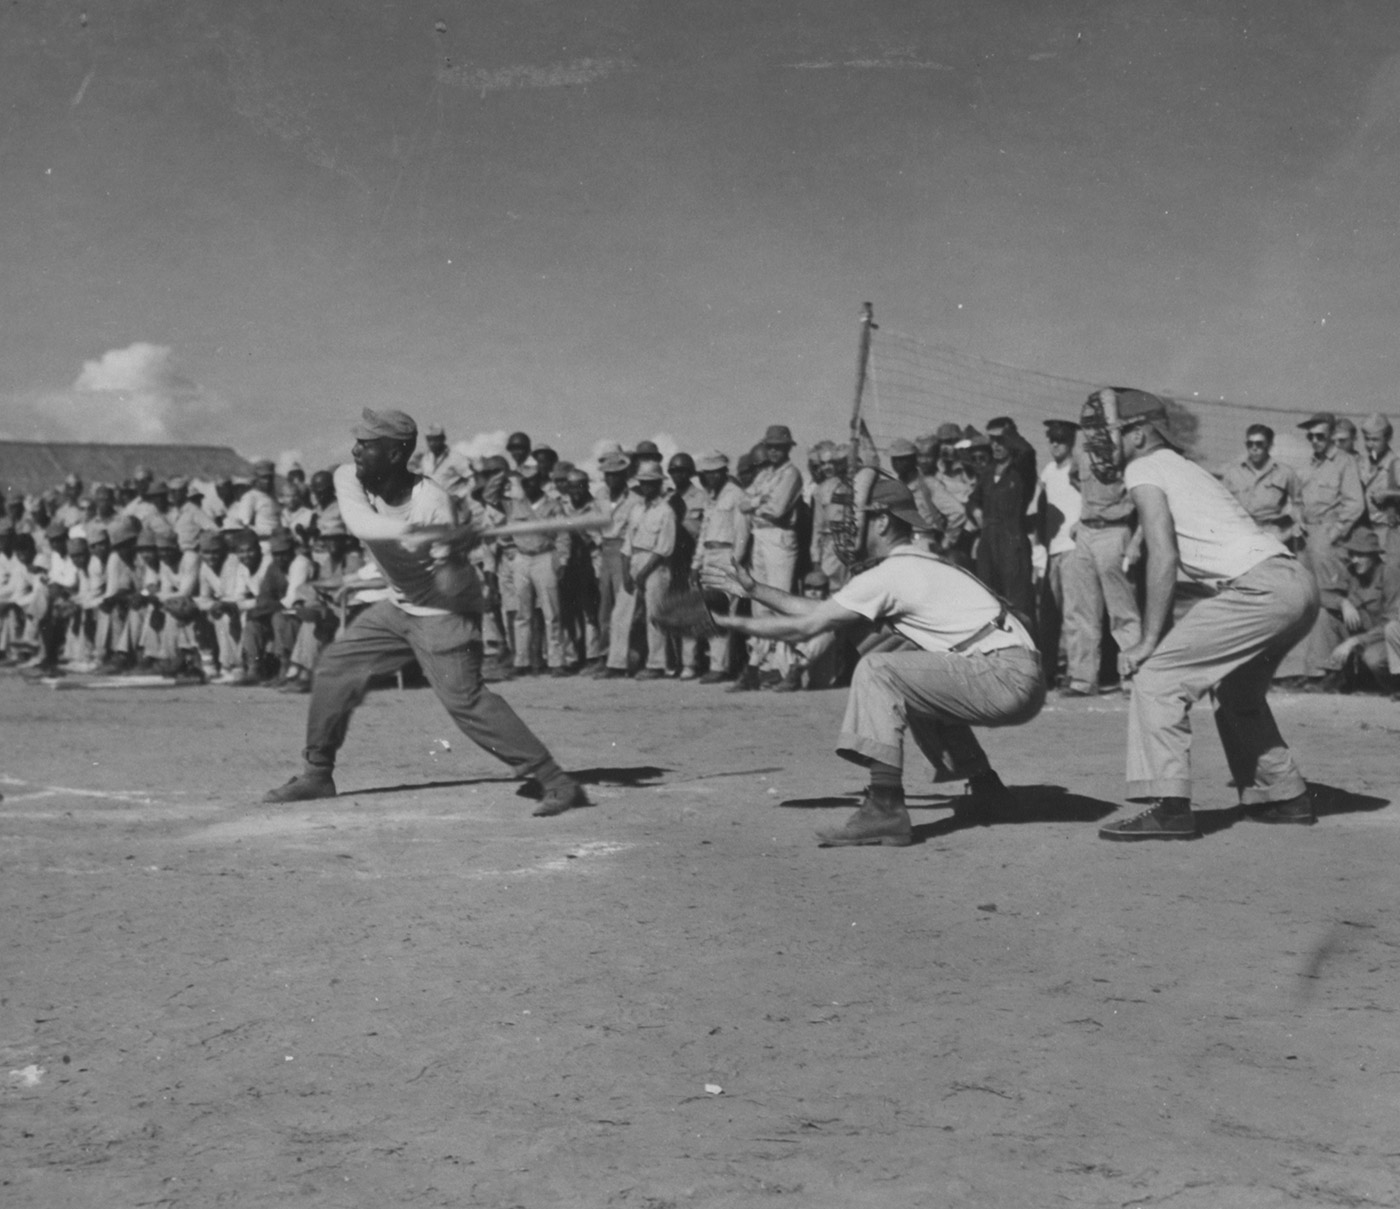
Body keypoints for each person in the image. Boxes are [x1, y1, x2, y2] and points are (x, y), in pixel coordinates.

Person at [262, 408, 588, 816]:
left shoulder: (434, 504)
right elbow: (362, 524)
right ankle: (317, 774)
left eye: (367, 445)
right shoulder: (350, 477)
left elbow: (449, 584)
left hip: (443, 609)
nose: (355, 450)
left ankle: (556, 781)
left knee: (465, 702)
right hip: (399, 606)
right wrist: (412, 532)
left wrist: (454, 548)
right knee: (335, 669)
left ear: (396, 454)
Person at [704, 475, 1044, 848]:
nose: (845, 529)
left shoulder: (890, 574)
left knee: (879, 670)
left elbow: (806, 629)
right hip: (1015, 672)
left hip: (1004, 675)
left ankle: (885, 807)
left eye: (856, 518)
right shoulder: (913, 563)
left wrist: (726, 622)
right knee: (910, 677)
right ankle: (987, 791)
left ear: (882, 521)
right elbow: (824, 612)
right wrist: (755, 590)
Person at [1091, 389, 1320, 841]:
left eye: (1108, 433)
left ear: (1138, 434)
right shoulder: (1183, 467)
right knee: (1237, 691)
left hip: (1261, 587)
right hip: (1294, 584)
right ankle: (1286, 796)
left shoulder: (1144, 466)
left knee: (1157, 677)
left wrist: (1148, 639)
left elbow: (1163, 555)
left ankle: (1169, 806)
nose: (1099, 444)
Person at [733, 424, 804, 691]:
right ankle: (761, 665)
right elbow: (744, 500)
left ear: (787, 448)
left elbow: (777, 508)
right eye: (771, 446)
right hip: (759, 537)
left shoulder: (792, 474)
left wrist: (755, 503)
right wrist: (757, 502)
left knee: (780, 602)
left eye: (779, 447)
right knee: (760, 604)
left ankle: (788, 666)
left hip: (780, 537)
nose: (774, 451)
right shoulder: (764, 474)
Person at [1296, 413, 1365, 683]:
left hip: (1329, 537)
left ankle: (1330, 672)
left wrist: (1335, 532)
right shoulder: (1311, 465)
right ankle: (1309, 668)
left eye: (1320, 436)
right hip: (1306, 537)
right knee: (1306, 600)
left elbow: (1354, 504)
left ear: (1331, 435)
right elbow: (1301, 499)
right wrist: (1298, 516)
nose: (1315, 441)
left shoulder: (1344, 463)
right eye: (1310, 436)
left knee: (1331, 600)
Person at [1305, 528, 1400, 694]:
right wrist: (1342, 602)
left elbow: (1392, 620)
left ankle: (1389, 686)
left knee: (1374, 658)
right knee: (1324, 616)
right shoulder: (1351, 572)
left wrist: (1355, 641)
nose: (1354, 560)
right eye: (1352, 554)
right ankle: (1328, 676)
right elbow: (1322, 594)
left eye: (1360, 555)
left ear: (1374, 556)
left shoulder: (1389, 574)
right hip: (1361, 633)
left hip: (1383, 639)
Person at [1036, 420, 1082, 681]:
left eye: (1061, 438)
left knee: (1075, 614)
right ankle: (1050, 670)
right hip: (1052, 549)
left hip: (1073, 548)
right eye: (1051, 438)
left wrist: (1081, 523)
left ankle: (1078, 674)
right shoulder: (1048, 471)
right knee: (1051, 615)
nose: (1055, 443)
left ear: (1071, 442)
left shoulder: (1076, 470)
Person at [1219, 424, 1303, 548]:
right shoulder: (1233, 473)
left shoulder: (1285, 473)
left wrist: (1296, 525)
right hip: (1241, 534)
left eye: (1259, 444)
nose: (1254, 448)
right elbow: (1221, 504)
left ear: (1269, 446)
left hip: (1274, 536)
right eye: (1250, 444)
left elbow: (1299, 502)